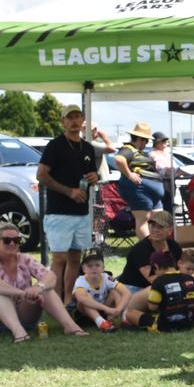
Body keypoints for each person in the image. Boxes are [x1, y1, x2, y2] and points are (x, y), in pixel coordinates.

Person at [36, 104, 115, 303]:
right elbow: (41, 176)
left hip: (82, 212)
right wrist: (69, 191)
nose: (74, 121)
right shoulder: (55, 145)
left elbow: (91, 176)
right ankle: (54, 305)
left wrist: (94, 176)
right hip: (59, 213)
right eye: (69, 117)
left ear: (83, 121)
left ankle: (67, 301)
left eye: (77, 117)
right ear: (63, 121)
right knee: (59, 259)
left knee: (74, 259)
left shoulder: (88, 147)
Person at [0, 221, 89, 342]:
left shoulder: (25, 259)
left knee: (46, 289)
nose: (12, 243)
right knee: (1, 292)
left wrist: (39, 287)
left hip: (25, 315)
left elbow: (51, 276)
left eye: (17, 240)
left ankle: (70, 326)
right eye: (7, 240)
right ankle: (18, 332)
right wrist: (22, 293)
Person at [118, 210, 183, 326]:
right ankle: (127, 314)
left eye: (160, 227)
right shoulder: (141, 249)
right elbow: (153, 279)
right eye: (152, 226)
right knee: (154, 289)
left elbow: (182, 270)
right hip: (133, 289)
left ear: (170, 230)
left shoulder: (174, 247)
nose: (155, 230)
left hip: (160, 286)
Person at [114, 121, 165, 237]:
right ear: (140, 139)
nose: (146, 144)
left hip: (150, 193)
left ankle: (157, 250)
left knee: (159, 221)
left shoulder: (138, 151)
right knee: (143, 221)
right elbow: (119, 159)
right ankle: (148, 250)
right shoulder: (128, 149)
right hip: (140, 191)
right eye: (146, 141)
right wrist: (130, 175)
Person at [143, 250, 194, 333]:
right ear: (178, 263)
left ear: (156, 266)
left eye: (193, 270)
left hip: (166, 325)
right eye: (188, 269)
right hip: (189, 322)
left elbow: (152, 307)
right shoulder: (191, 279)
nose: (190, 272)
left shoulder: (158, 281)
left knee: (131, 313)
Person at [71, 251, 128, 333]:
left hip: (104, 309)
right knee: (85, 299)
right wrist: (106, 309)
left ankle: (124, 317)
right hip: (85, 313)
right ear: (83, 269)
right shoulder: (81, 280)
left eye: (97, 265)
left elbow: (126, 293)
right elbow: (81, 298)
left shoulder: (106, 277)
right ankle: (101, 323)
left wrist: (119, 309)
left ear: (103, 268)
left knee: (115, 292)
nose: (94, 268)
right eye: (89, 266)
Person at [149, 131, 176, 214]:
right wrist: (173, 171)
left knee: (170, 209)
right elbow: (162, 170)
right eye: (163, 141)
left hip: (170, 185)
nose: (165, 143)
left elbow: (174, 168)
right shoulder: (152, 154)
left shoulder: (167, 154)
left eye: (166, 140)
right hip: (160, 185)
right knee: (163, 211)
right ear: (156, 142)